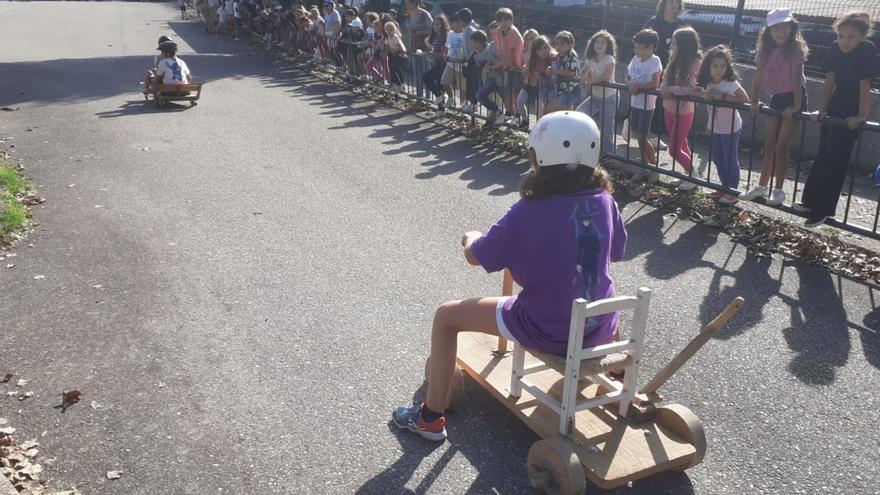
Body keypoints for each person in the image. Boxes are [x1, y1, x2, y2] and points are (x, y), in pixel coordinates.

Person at [391, 111, 627, 442]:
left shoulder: (528, 210)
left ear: (538, 158)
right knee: (599, 289)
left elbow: (478, 257)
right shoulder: (605, 200)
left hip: (547, 328)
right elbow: (615, 253)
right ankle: (615, 371)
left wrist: (471, 237)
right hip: (598, 326)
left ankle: (429, 418)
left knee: (446, 316)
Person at [800, 12, 877, 227]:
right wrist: (821, 110)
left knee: (837, 159)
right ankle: (810, 201)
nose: (844, 41)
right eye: (841, 35)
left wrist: (861, 115)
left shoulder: (866, 51)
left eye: (851, 36)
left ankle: (824, 209)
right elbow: (829, 80)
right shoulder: (835, 47)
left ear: (862, 36)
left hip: (853, 107)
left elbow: (865, 85)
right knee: (823, 152)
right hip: (836, 103)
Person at [740, 9, 809, 206]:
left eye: (785, 27)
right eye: (776, 28)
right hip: (777, 97)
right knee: (769, 145)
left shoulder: (795, 48)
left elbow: (796, 79)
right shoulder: (765, 50)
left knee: (781, 146)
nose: (781, 32)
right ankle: (761, 186)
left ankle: (778, 190)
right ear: (768, 31)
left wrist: (796, 106)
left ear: (791, 27)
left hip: (794, 97)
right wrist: (753, 100)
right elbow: (759, 76)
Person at [697, 45, 749, 204]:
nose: (719, 70)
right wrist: (703, 94)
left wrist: (723, 96)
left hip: (731, 127)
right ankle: (723, 186)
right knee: (718, 157)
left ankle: (732, 190)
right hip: (714, 126)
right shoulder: (706, 82)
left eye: (723, 66)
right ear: (708, 67)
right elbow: (696, 90)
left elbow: (744, 98)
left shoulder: (730, 83)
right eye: (715, 66)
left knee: (729, 158)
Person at [659, 26, 703, 191]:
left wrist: (671, 89)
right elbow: (664, 78)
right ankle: (689, 173)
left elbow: (693, 88)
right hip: (669, 107)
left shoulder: (695, 63)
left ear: (684, 45)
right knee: (681, 144)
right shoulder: (674, 59)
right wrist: (664, 88)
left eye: (675, 43)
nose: (672, 45)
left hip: (684, 111)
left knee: (674, 149)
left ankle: (693, 175)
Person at [644, 0, 686, 148]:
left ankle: (654, 134)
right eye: (671, 1)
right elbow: (642, 42)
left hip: (671, 71)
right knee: (645, 98)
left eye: (677, 2)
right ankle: (631, 125)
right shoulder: (653, 22)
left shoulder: (681, 25)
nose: (674, 4)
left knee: (662, 102)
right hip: (652, 68)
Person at [626, 29, 663, 181]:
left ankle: (653, 168)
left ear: (650, 47)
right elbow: (628, 76)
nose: (635, 50)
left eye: (639, 47)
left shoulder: (655, 61)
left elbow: (655, 82)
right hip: (636, 103)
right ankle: (644, 165)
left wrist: (638, 87)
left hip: (647, 105)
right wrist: (630, 84)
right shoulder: (635, 59)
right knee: (638, 136)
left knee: (643, 137)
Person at [577, 30, 618, 155]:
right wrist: (583, 79)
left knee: (606, 126)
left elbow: (606, 76)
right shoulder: (591, 59)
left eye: (602, 43)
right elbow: (583, 71)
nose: (599, 45)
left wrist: (590, 81)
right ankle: (586, 143)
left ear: (608, 46)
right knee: (580, 113)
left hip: (609, 97)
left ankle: (608, 153)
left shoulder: (609, 59)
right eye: (597, 42)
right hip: (595, 96)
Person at [493, 8, 524, 121]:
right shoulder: (498, 31)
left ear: (511, 20)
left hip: (517, 67)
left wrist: (508, 66)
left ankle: (517, 115)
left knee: (515, 91)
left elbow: (511, 52)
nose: (504, 23)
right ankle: (509, 112)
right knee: (507, 89)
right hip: (508, 66)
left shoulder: (513, 32)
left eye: (507, 20)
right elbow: (501, 48)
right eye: (501, 20)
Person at [472, 30, 504, 127]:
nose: (492, 36)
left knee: (508, 101)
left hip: (503, 78)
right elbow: (489, 60)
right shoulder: (492, 46)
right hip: (492, 77)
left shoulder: (504, 46)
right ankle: (497, 111)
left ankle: (513, 120)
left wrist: (492, 67)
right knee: (480, 95)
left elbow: (505, 62)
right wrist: (487, 66)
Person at [401, 0, 433, 98]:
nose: (406, 5)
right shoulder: (408, 16)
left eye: (408, 3)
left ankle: (428, 96)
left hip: (425, 48)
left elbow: (432, 31)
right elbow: (407, 33)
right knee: (417, 73)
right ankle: (419, 96)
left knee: (426, 72)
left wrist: (420, 33)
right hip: (414, 47)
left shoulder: (425, 15)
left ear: (415, 3)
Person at [422, 15, 450, 113]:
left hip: (443, 64)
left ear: (443, 25)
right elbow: (431, 47)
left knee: (426, 77)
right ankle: (441, 110)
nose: (435, 26)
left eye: (438, 24)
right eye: (434, 24)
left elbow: (442, 53)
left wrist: (432, 54)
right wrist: (430, 53)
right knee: (439, 86)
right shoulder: (434, 36)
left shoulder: (444, 36)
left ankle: (439, 96)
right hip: (436, 62)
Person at [513, 28, 539, 130]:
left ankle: (538, 128)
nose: (532, 40)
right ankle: (525, 121)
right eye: (529, 39)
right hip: (529, 82)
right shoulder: (524, 52)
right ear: (526, 41)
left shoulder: (542, 51)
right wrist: (523, 68)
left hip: (539, 83)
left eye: (534, 38)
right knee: (519, 101)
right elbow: (522, 65)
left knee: (538, 109)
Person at [547, 30, 580, 111]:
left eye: (562, 44)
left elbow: (572, 73)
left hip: (570, 90)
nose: (559, 47)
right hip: (561, 89)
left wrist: (555, 71)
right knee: (564, 112)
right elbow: (557, 68)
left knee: (550, 109)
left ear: (570, 45)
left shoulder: (572, 56)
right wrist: (550, 69)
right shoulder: (559, 55)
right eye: (557, 44)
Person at [440, 13, 466, 108]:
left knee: (462, 88)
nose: (451, 26)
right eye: (450, 24)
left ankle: (463, 106)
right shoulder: (450, 34)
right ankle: (451, 99)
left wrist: (462, 58)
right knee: (444, 81)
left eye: (453, 23)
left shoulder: (465, 34)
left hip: (462, 65)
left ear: (459, 23)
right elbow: (447, 47)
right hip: (451, 63)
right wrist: (445, 55)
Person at [384, 20, 406, 91]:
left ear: (394, 30)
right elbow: (388, 46)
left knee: (394, 69)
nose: (389, 31)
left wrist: (395, 51)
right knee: (395, 69)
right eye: (387, 30)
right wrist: (386, 53)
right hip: (394, 54)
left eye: (390, 30)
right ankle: (400, 84)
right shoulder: (388, 37)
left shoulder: (395, 37)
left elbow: (399, 46)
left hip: (399, 54)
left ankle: (400, 84)